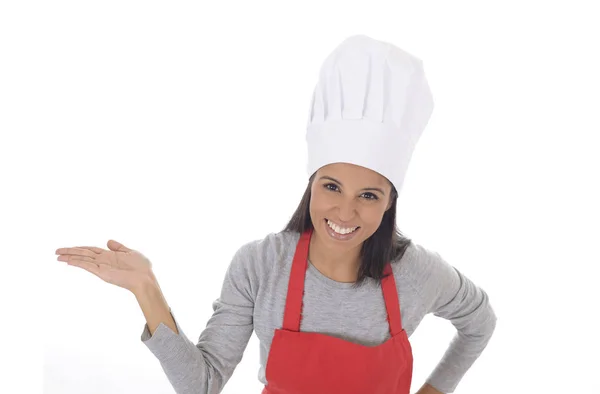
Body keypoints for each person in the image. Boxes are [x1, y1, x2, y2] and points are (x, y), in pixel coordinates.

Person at [55, 35, 497, 394]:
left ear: (389, 202)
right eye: (331, 187)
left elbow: (479, 322)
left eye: (368, 195)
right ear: (310, 186)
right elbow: (202, 386)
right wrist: (145, 288)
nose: (345, 210)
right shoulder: (261, 266)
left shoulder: (414, 272)